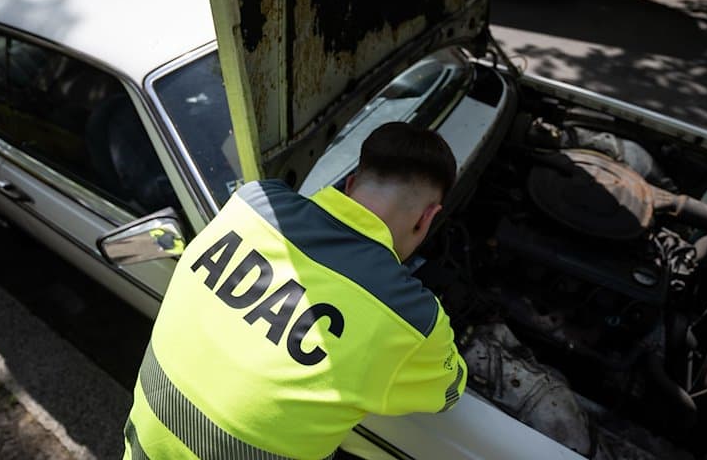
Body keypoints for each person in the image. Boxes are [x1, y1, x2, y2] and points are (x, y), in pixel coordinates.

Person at [123, 122, 467, 460]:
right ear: (427, 217)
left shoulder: (252, 201)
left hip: (141, 446)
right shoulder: (414, 320)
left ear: (350, 185)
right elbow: (449, 390)